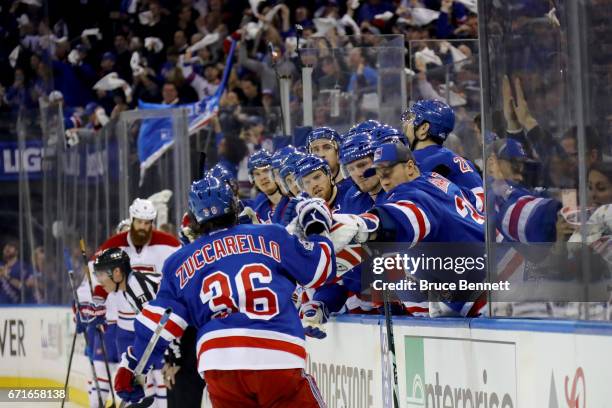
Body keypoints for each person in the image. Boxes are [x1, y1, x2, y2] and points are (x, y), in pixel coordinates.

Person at [114, 176, 336, 407]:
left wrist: (132, 367)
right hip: (277, 351)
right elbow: (320, 269)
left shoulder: (179, 261)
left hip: (219, 362)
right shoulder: (272, 235)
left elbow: (159, 324)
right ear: (233, 205)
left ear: (195, 217)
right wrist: (317, 226)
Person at [91, 198, 181, 407]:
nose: (143, 227)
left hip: (159, 325)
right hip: (131, 326)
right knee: (137, 383)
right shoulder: (115, 247)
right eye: (139, 222)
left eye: (148, 222)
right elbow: (96, 273)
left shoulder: (167, 245)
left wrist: (174, 350)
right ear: (132, 220)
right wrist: (96, 302)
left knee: (159, 383)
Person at [401, 99, 484, 211]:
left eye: (411, 119)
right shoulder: (461, 160)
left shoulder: (417, 161)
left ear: (423, 129)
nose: (405, 125)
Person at [246, 149, 283, 223]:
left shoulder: (293, 198)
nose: (262, 177)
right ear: (252, 180)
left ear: (276, 172)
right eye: (257, 174)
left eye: (266, 171)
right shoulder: (257, 207)